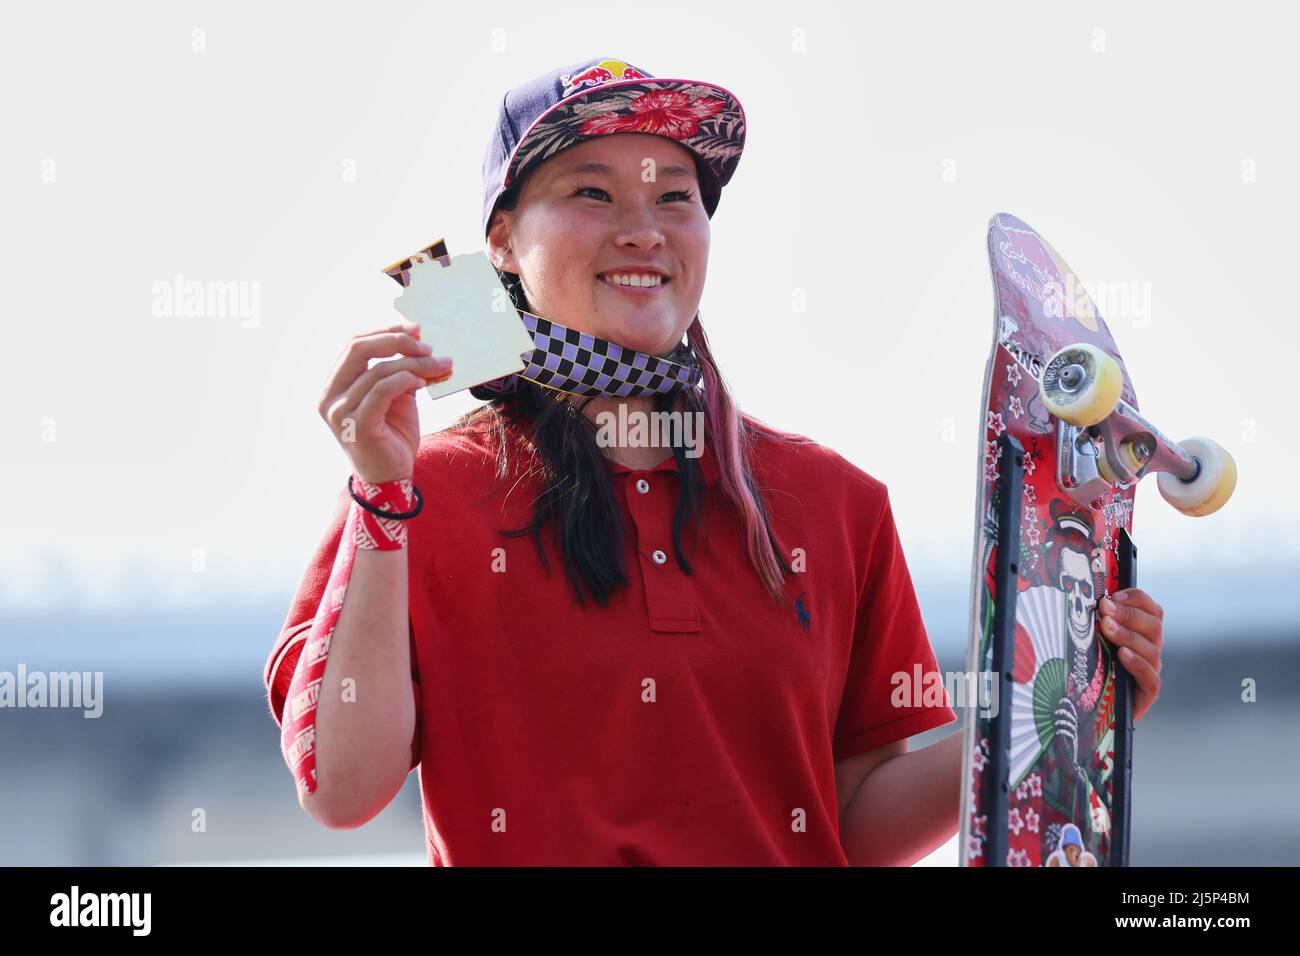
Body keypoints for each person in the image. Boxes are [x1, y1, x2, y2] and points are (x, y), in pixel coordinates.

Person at [263, 56, 1167, 866]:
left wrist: (1046, 712)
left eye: (675, 197)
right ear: (501, 241)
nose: (642, 230)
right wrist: (382, 496)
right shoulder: (419, 489)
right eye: (591, 193)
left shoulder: (834, 502)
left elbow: (848, 825)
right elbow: (342, 790)